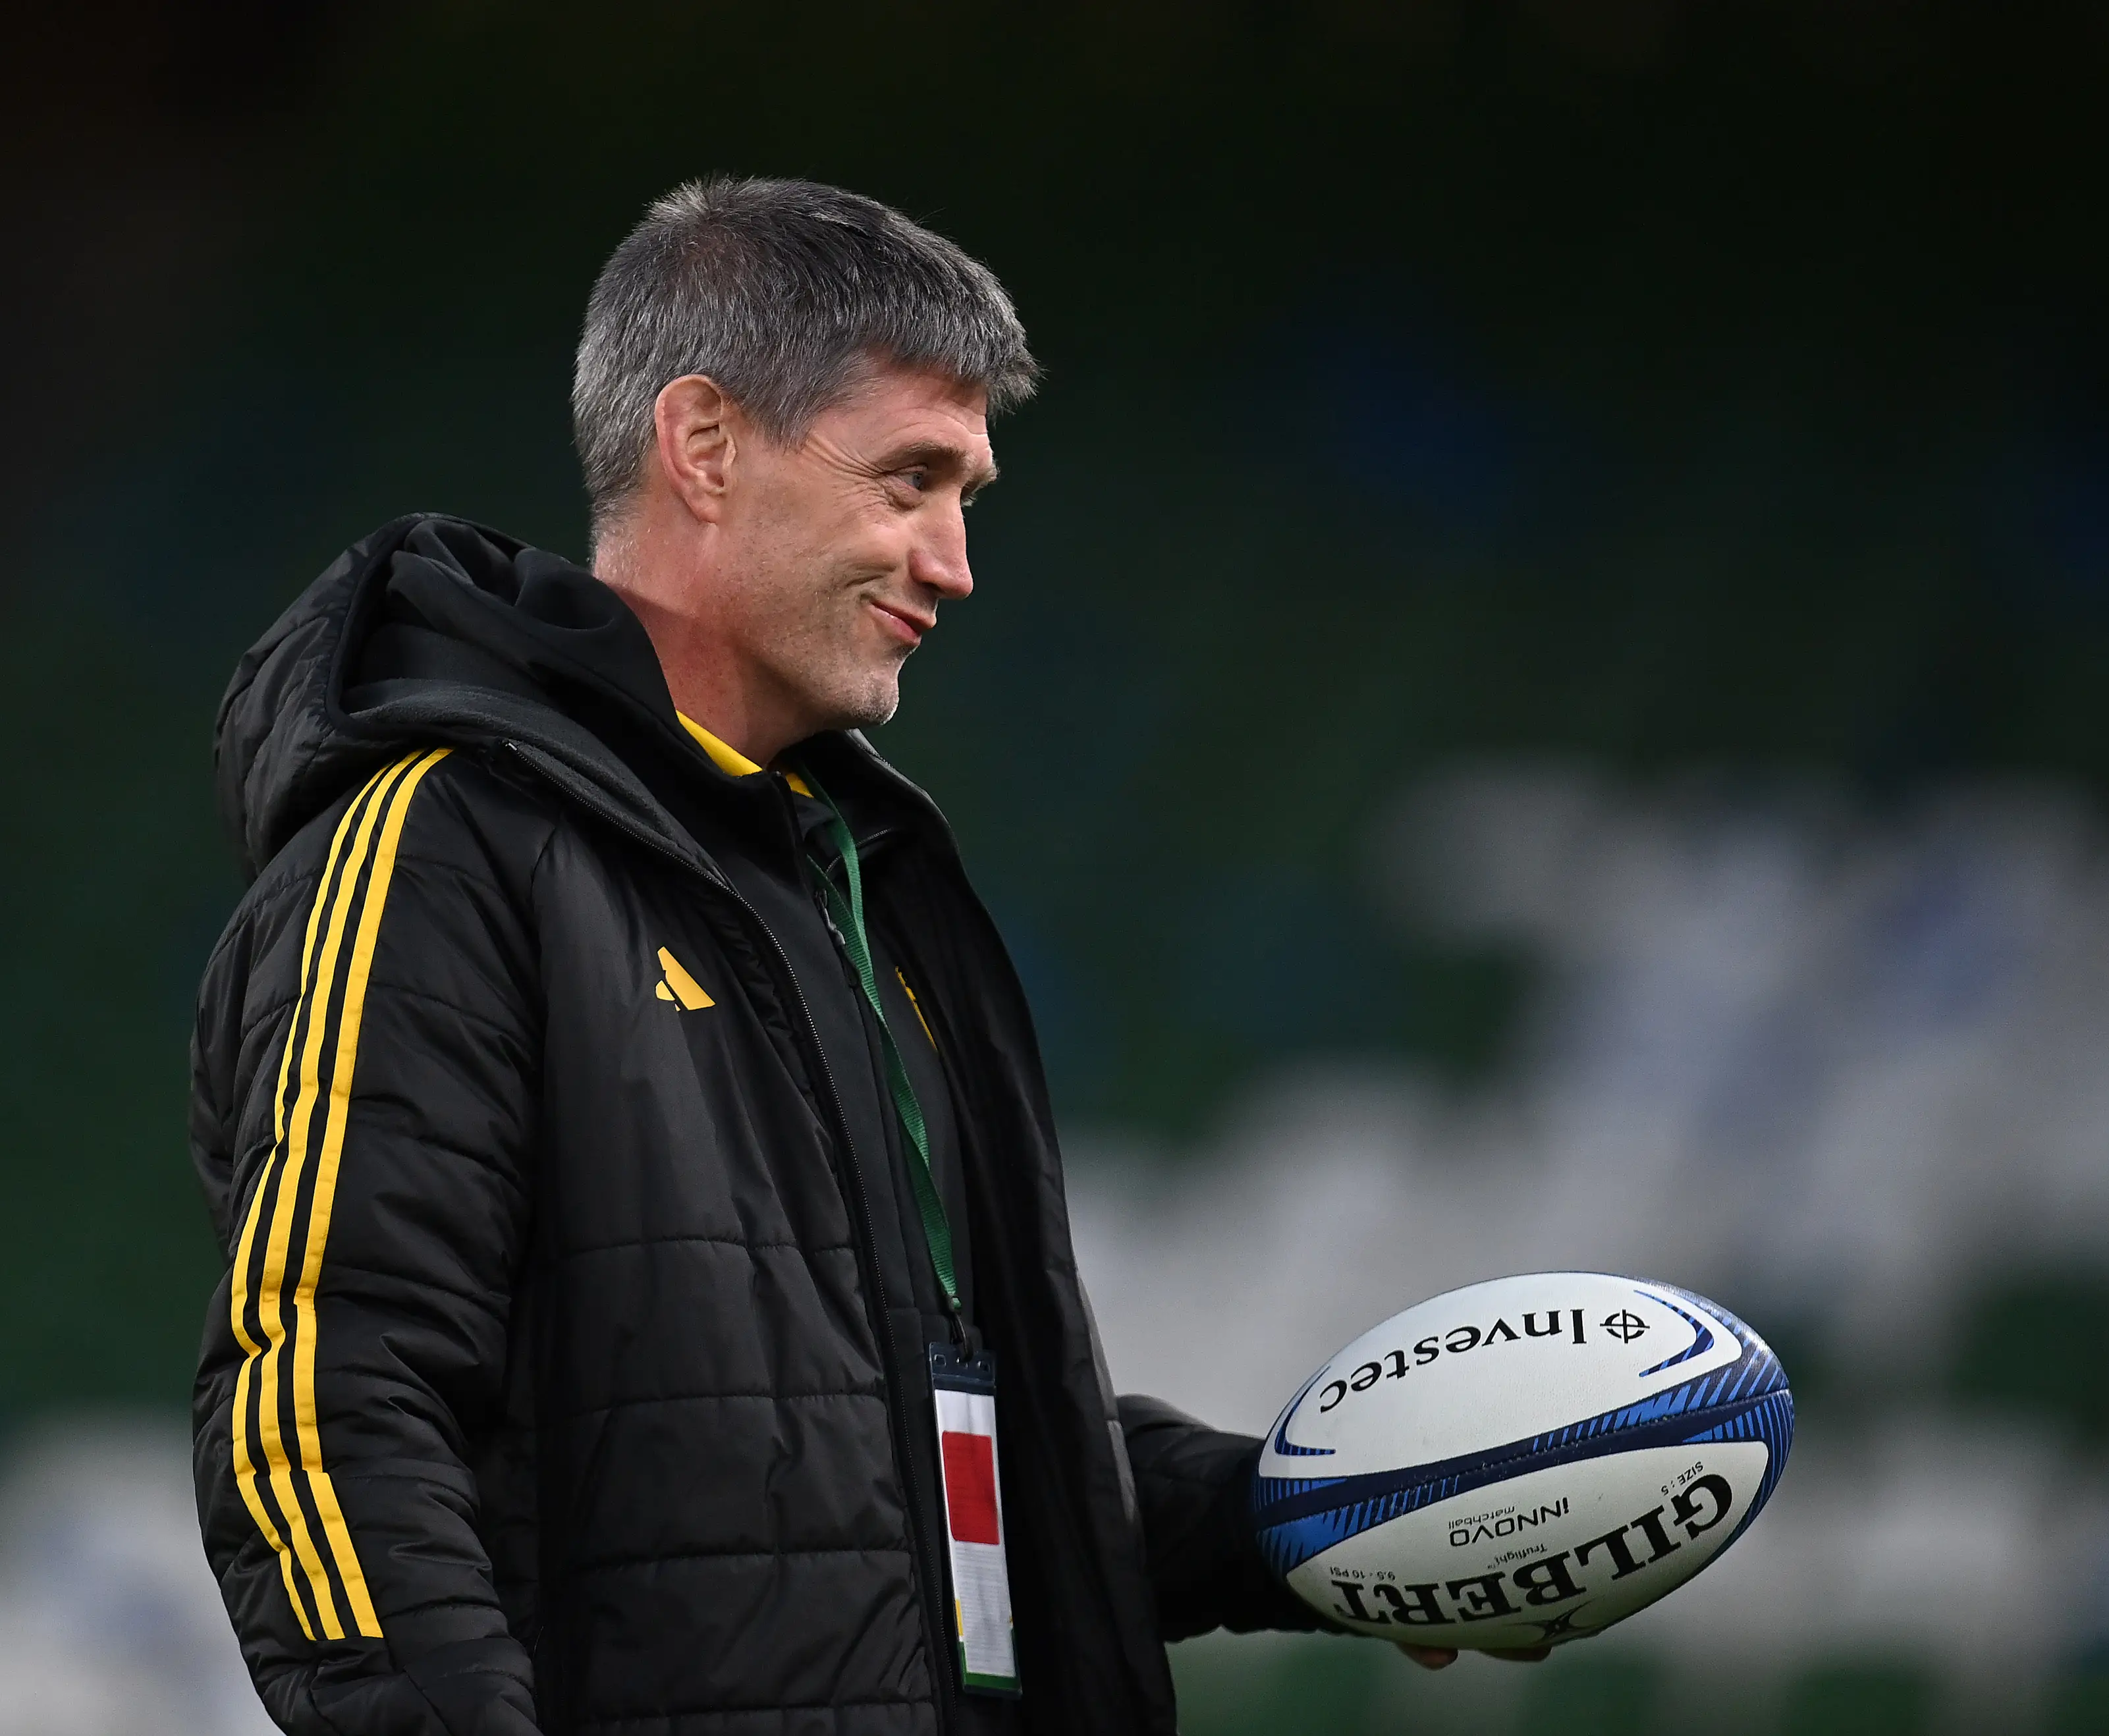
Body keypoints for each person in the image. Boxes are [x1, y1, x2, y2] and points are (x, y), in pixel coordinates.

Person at [189, 176, 1487, 1736]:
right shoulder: (442, 846)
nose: (951, 562)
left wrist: (1305, 1520)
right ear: (708, 446)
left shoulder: (858, 887)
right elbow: (321, 1414)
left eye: (968, 495)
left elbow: (915, 1476)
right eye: (909, 481)